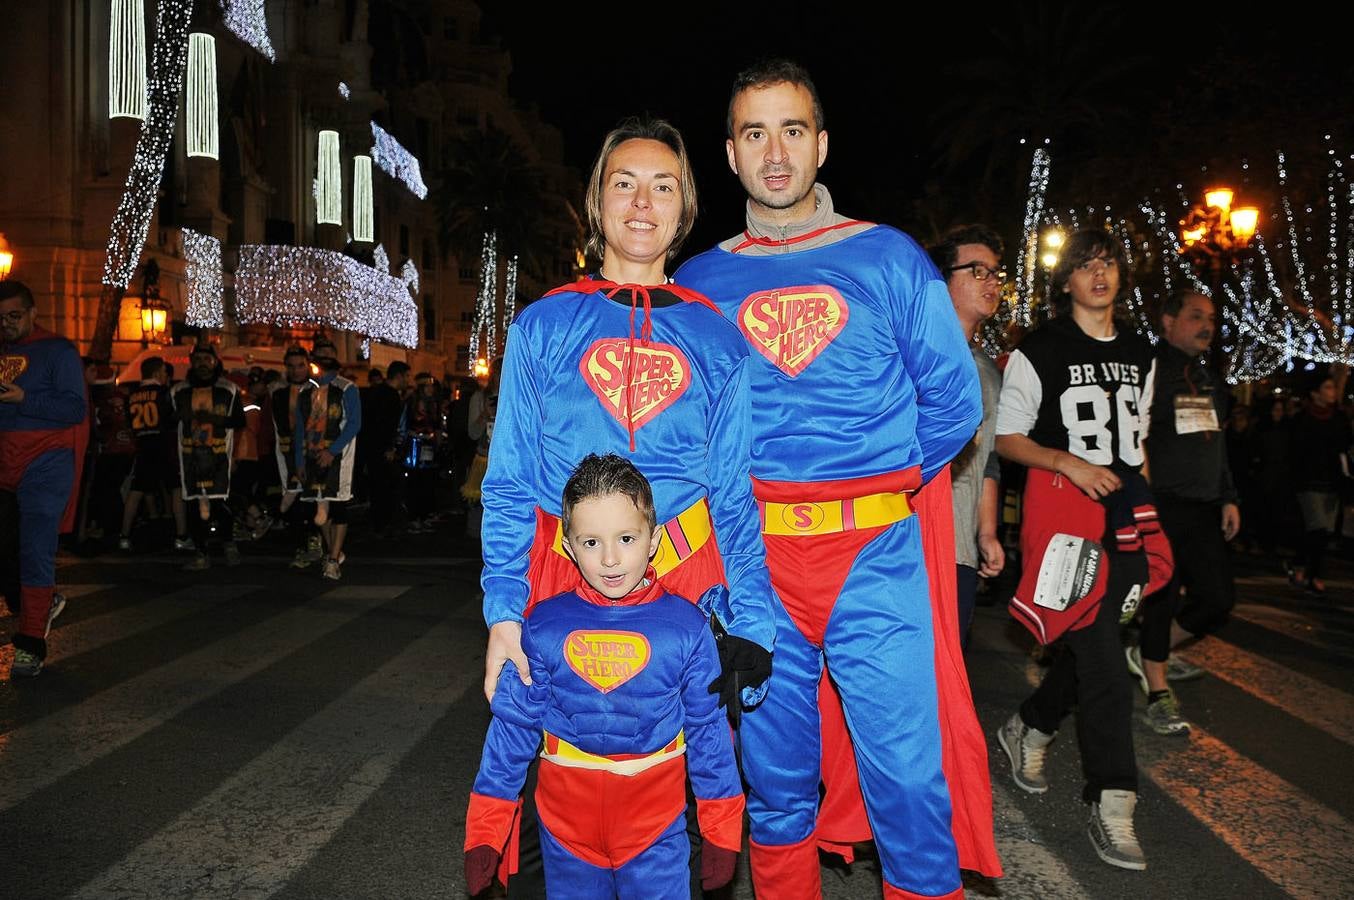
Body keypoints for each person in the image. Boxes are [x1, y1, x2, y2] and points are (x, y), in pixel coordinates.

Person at [675, 60, 996, 898]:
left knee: (909, 785)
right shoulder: (697, 285)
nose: (773, 152)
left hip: (875, 563)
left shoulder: (889, 258)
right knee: (775, 795)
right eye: (754, 133)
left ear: (821, 145)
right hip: (758, 574)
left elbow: (955, 405)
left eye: (791, 130)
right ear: (732, 155)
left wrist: (879, 481)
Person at [479, 116, 774, 898]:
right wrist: (505, 612)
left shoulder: (720, 341)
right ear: (595, 202)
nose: (643, 203)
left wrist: (752, 622)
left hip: (687, 589)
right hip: (560, 589)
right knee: (553, 801)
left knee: (684, 813)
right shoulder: (542, 324)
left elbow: (736, 494)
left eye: (663, 186)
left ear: (685, 210)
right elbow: (508, 483)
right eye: (624, 183)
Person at [466, 454, 743, 899]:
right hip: (565, 833)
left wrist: (722, 830)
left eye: (626, 538)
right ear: (568, 545)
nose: (611, 560)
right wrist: (484, 830)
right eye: (591, 542)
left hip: (656, 832)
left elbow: (709, 732)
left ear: (653, 540)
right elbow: (512, 731)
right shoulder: (542, 625)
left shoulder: (687, 628)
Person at [993, 228, 1171, 871]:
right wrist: (1066, 462)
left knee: (1094, 646)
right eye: (1085, 266)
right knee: (1104, 663)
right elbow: (1006, 438)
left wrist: (1148, 515)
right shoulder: (1039, 350)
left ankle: (1031, 725)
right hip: (1067, 524)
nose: (1099, 274)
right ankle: (1112, 800)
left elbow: (1140, 439)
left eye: (1109, 263)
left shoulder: (1141, 351)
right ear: (1065, 281)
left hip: (1125, 518)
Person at [1128, 291, 1238, 735]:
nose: (1206, 326)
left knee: (1217, 600)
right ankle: (1158, 691)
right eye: (1196, 316)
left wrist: (1229, 496)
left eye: (1211, 318)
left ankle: (1150, 653)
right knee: (1162, 598)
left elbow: (1218, 443)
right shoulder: (1149, 371)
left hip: (1205, 506)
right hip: (1163, 504)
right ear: (1168, 321)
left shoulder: (1209, 377)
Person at [0, 280, 86, 677]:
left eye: (14, 316)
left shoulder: (58, 350)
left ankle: (30, 643)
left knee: (34, 549)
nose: (7, 325)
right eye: (0, 319)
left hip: (47, 462)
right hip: (5, 462)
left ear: (33, 313)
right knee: (5, 553)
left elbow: (74, 409)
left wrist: (24, 399)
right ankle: (39, 603)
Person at [930, 225, 1008, 649]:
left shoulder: (988, 370)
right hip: (912, 541)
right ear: (943, 281)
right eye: (977, 270)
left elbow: (988, 459)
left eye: (996, 272)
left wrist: (987, 532)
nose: (992, 281)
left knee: (952, 663)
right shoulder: (911, 356)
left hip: (960, 548)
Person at [170, 340, 246, 570]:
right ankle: (201, 553)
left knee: (219, 502)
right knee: (194, 505)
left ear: (215, 362)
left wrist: (215, 420)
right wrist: (182, 416)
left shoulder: (228, 390)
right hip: (190, 457)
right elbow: (167, 421)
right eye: (198, 359)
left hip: (219, 458)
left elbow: (240, 421)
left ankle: (229, 543)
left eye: (207, 359)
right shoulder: (178, 391)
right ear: (191, 363)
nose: (202, 364)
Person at [294, 337, 361, 581]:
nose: (323, 355)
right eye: (319, 351)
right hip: (312, 456)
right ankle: (335, 549)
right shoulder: (305, 391)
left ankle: (332, 559)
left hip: (339, 457)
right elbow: (300, 427)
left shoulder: (347, 388)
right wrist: (299, 462)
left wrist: (332, 451)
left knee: (339, 505)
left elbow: (354, 424)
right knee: (319, 509)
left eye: (327, 351)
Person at [1287, 373, 1352, 593]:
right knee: (1318, 528)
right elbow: (1296, 452)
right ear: (1316, 393)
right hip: (1309, 482)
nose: (1332, 392)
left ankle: (1299, 562)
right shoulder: (1303, 419)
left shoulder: (1339, 419)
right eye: (1328, 387)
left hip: (1332, 482)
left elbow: (1344, 449)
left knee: (1322, 531)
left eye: (1333, 388)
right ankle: (1313, 575)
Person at [120, 356, 190, 551]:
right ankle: (181, 536)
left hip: (143, 446)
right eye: (164, 371)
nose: (166, 375)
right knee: (176, 488)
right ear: (158, 372)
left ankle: (124, 536)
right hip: (165, 445)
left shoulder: (132, 395)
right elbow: (175, 418)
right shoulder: (165, 393)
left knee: (136, 491)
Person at [362, 360, 409, 537]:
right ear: (398, 376)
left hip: (372, 447)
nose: (408, 380)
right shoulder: (391, 396)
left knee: (377, 486)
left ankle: (379, 523)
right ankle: (384, 523)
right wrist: (390, 447)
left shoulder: (375, 392)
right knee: (385, 486)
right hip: (382, 449)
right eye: (406, 376)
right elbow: (387, 424)